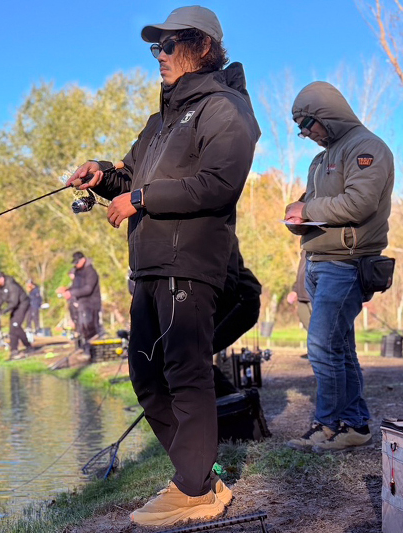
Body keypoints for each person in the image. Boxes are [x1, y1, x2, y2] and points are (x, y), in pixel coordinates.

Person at [69, 6, 260, 526]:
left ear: (203, 46)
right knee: (146, 375)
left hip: (190, 263)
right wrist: (101, 174)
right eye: (156, 46)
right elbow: (131, 177)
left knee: (185, 373)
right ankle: (197, 475)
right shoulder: (161, 120)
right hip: (149, 266)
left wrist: (141, 197)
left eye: (169, 44)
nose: (159, 55)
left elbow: (219, 183)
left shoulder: (226, 108)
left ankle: (194, 489)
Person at [284, 81, 394, 453]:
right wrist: (297, 216)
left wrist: (308, 210)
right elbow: (312, 205)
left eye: (307, 124)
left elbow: (360, 203)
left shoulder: (367, 147)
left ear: (326, 114)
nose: (306, 134)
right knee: (340, 348)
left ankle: (328, 425)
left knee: (321, 345)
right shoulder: (320, 160)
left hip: (346, 264)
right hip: (317, 262)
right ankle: (355, 425)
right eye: (300, 128)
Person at [61, 252, 102, 354]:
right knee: (80, 328)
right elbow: (76, 286)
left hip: (91, 304)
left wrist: (72, 293)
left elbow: (88, 289)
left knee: (89, 328)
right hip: (80, 304)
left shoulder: (91, 272)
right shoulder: (77, 272)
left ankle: (90, 352)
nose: (76, 265)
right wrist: (67, 291)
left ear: (83, 260)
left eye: (77, 262)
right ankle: (82, 349)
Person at [0, 272, 35, 359]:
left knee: (16, 325)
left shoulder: (12, 285)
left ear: (1, 278)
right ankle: (14, 350)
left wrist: (4, 311)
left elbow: (14, 302)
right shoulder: (0, 288)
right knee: (12, 328)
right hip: (15, 306)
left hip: (22, 304)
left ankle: (28, 346)